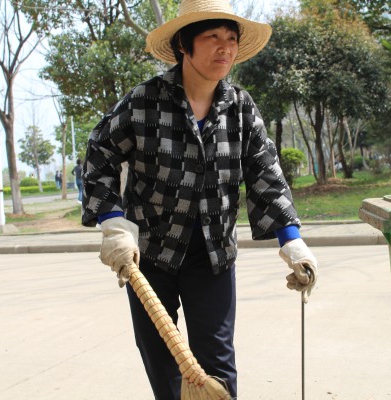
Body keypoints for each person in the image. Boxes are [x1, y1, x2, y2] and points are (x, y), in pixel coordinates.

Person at [81, 0, 318, 398]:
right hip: (150, 255)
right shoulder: (144, 102)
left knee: (217, 365)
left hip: (213, 256)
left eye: (231, 38)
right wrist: (111, 220)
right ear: (183, 45)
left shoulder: (240, 108)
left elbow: (265, 173)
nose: (225, 47)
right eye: (212, 37)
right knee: (163, 362)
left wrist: (292, 241)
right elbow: (99, 152)